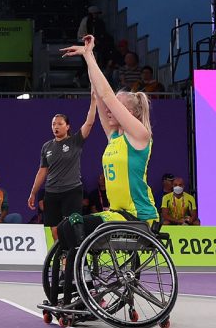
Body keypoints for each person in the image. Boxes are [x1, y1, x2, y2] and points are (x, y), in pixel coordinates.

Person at [60, 34, 159, 224]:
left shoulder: (140, 135)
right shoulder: (114, 136)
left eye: (117, 106)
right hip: (117, 213)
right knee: (68, 224)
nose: (110, 109)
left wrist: (89, 56)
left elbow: (106, 95)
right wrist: (88, 56)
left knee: (76, 225)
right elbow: (99, 93)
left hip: (138, 215)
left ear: (129, 112)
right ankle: (70, 256)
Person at [28, 96, 98, 239]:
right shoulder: (46, 146)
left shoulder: (75, 141)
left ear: (67, 126)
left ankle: (72, 255)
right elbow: (42, 171)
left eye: (60, 124)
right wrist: (33, 193)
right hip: (52, 192)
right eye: (53, 124)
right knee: (54, 228)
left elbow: (89, 123)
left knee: (71, 225)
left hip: (72, 190)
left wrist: (93, 101)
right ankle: (61, 256)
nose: (56, 127)